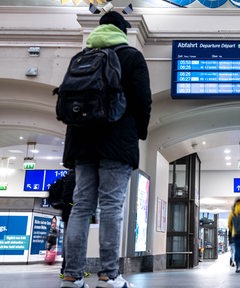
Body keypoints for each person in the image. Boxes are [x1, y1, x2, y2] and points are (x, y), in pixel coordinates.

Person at [60, 11, 152, 288]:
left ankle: (71, 276)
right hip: (116, 141)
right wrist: (139, 133)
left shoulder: (81, 58)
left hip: (82, 143)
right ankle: (109, 275)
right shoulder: (131, 57)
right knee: (112, 206)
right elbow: (142, 100)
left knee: (81, 207)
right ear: (123, 30)